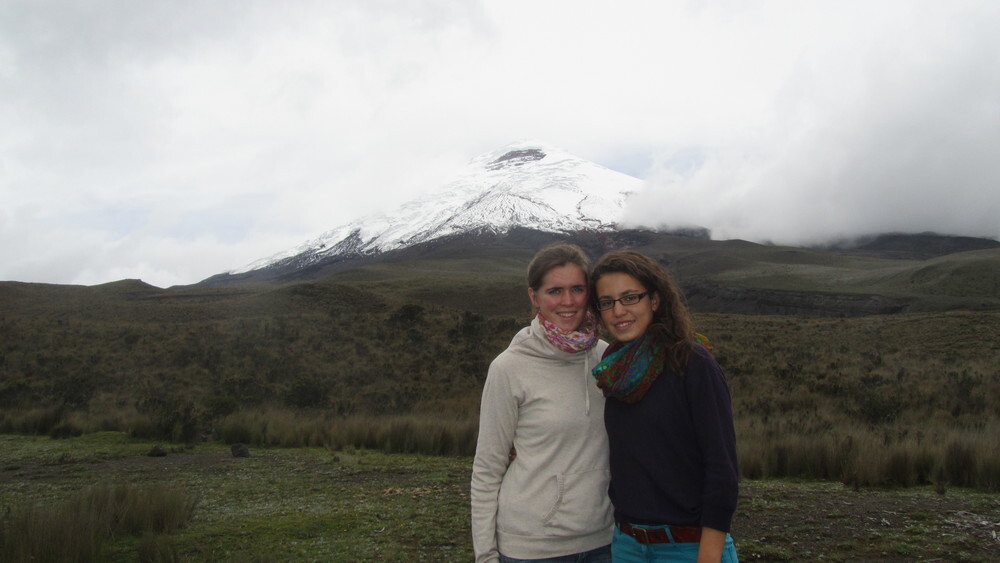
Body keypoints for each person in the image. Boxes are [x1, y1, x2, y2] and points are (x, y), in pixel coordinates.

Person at [589, 250, 739, 563]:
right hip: (627, 544)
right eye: (607, 302)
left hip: (688, 546)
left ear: (655, 300)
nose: (619, 311)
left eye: (630, 297)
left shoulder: (693, 363)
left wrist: (708, 555)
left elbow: (721, 469)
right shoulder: (613, 368)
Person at [471, 243, 613, 563]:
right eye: (554, 291)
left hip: (605, 539)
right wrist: (485, 554)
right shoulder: (509, 368)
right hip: (533, 546)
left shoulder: (605, 357)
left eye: (577, 289)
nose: (568, 301)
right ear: (534, 297)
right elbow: (487, 467)